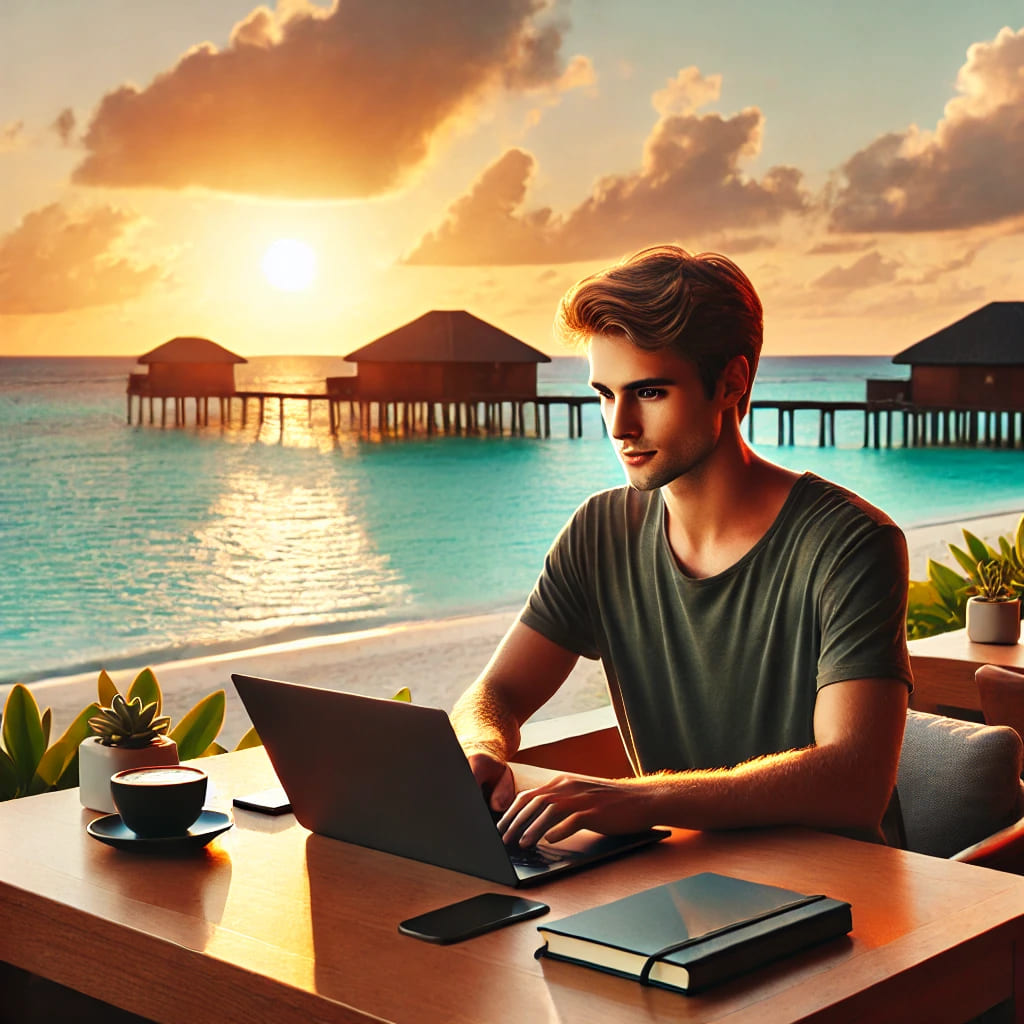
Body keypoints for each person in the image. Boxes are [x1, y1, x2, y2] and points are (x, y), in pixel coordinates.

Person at [451, 244, 913, 848]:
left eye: (648, 393)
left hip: (837, 896)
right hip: (677, 880)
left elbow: (853, 782)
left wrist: (636, 799)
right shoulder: (599, 532)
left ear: (731, 383)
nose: (618, 427)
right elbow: (498, 693)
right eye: (603, 394)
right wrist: (480, 745)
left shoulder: (851, 544)